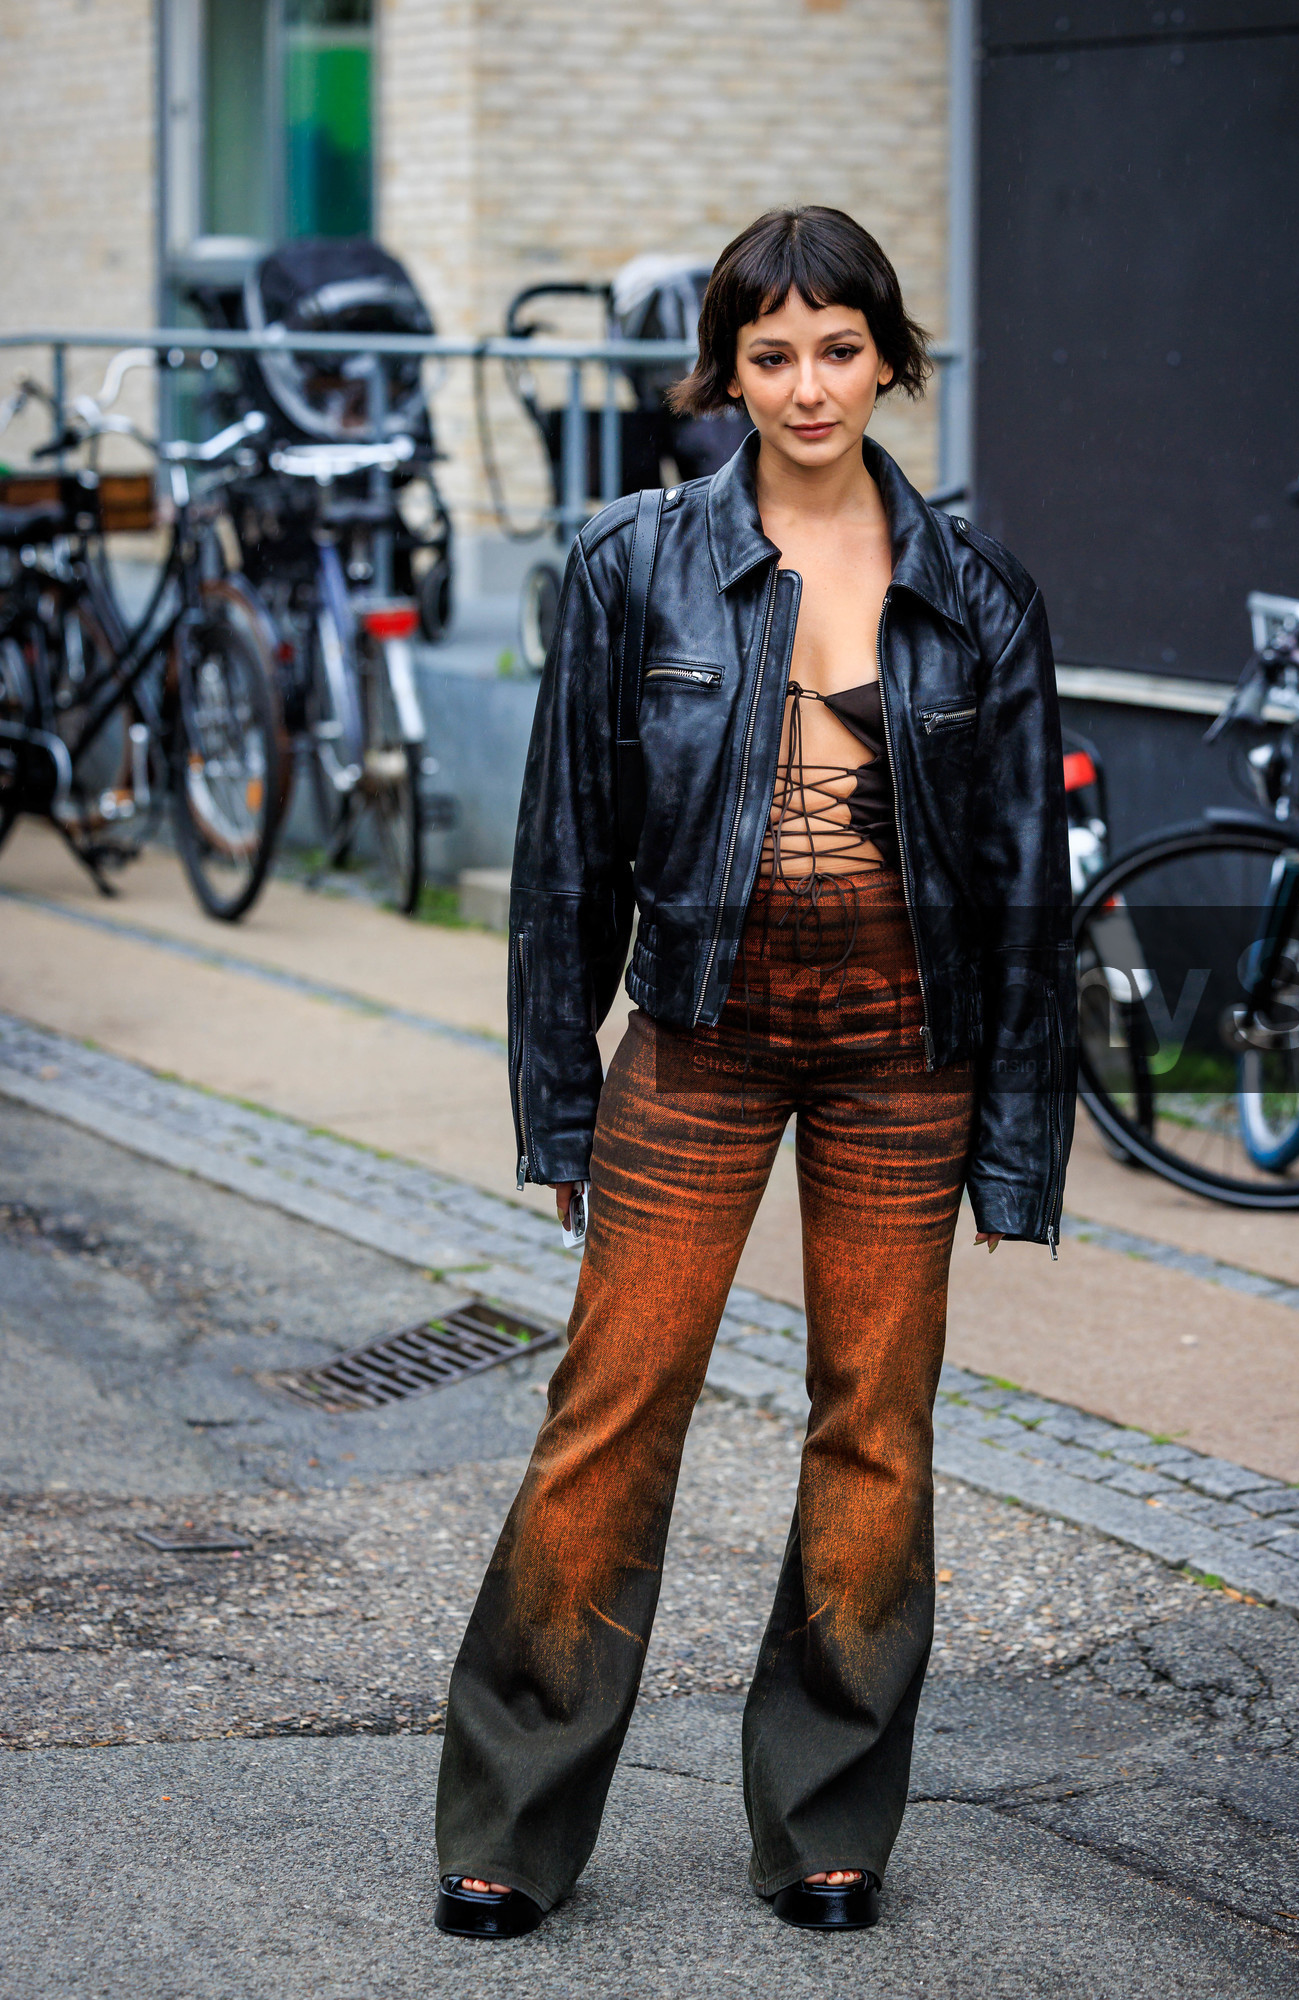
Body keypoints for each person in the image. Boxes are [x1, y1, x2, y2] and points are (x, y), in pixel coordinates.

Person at [433, 205, 1074, 1939]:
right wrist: (558, 1098)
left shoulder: (981, 593)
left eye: (840, 350)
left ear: (889, 360)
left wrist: (1021, 1147)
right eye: (771, 353)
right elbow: (565, 852)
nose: (807, 386)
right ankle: (509, 1818)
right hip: (701, 1032)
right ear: (727, 370)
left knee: (874, 1424)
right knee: (612, 1409)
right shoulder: (633, 561)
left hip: (902, 1049)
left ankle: (827, 1820)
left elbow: (1025, 892)